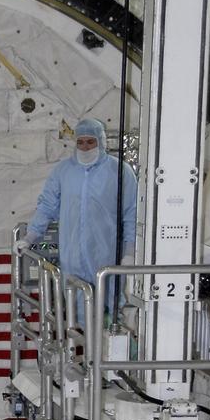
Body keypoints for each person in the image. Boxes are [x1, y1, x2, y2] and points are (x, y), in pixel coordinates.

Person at [19, 117, 137, 318]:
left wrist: (129, 251)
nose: (85, 147)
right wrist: (30, 237)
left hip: (107, 254)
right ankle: (83, 345)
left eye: (90, 142)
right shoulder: (63, 171)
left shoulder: (119, 171)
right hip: (72, 256)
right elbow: (47, 205)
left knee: (111, 309)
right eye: (81, 142)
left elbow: (131, 212)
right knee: (78, 311)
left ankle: (112, 345)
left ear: (101, 141)